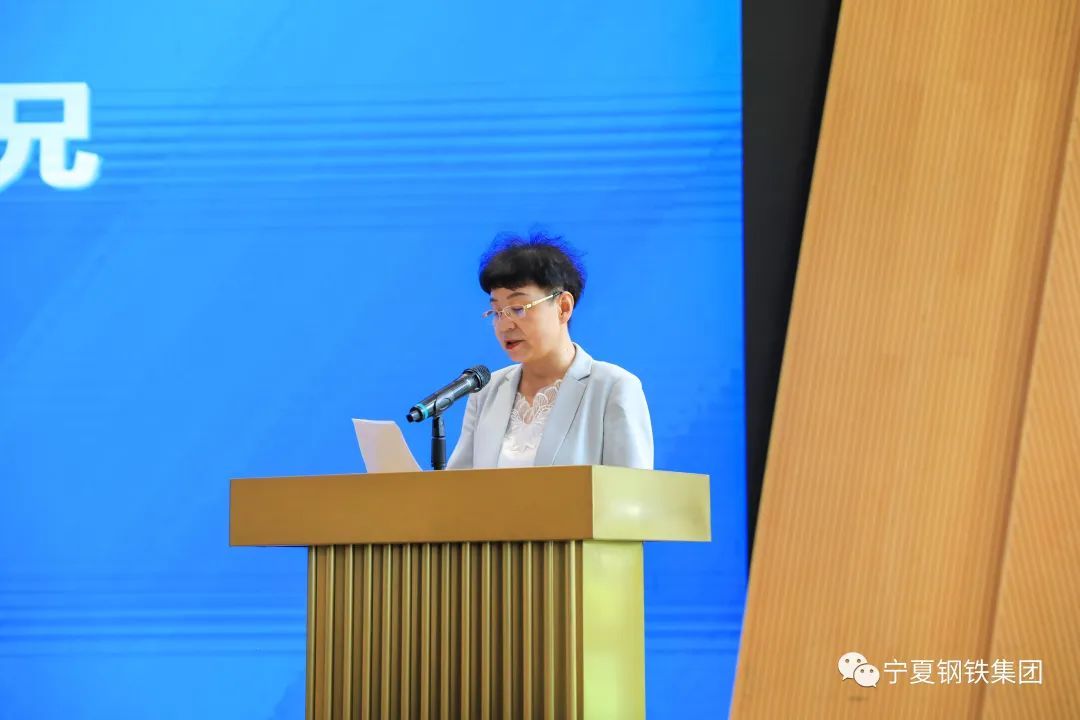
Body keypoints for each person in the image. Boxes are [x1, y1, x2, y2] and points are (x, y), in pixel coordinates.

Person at [447, 233, 653, 470]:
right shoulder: (485, 392)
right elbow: (459, 485)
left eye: (518, 308)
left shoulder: (613, 387)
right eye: (497, 312)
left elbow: (632, 487)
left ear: (563, 307)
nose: (504, 326)